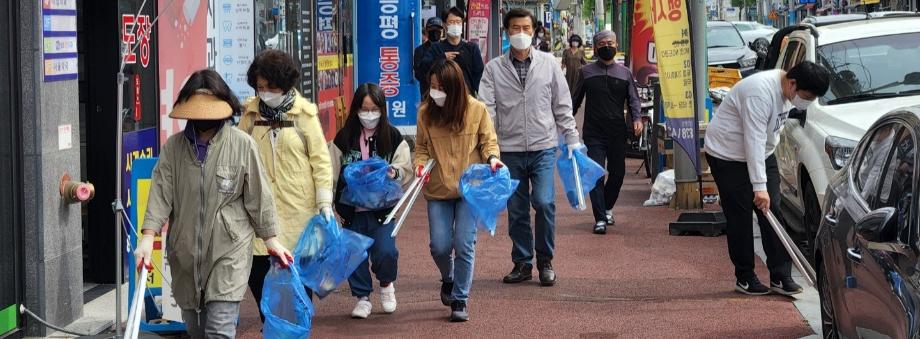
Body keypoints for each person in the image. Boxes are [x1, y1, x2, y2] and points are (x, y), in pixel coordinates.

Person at [135, 69, 292, 339]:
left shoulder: (242, 145)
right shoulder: (173, 148)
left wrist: (271, 239)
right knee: (197, 331)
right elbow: (161, 192)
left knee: (219, 330)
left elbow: (259, 195)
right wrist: (148, 238)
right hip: (185, 254)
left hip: (229, 250)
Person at [704, 61, 830, 296]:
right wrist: (758, 187)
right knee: (740, 215)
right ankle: (745, 277)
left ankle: (780, 276)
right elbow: (753, 140)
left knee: (773, 211)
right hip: (728, 155)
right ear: (792, 84)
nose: (807, 102)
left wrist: (763, 188)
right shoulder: (759, 93)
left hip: (762, 153)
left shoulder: (787, 92)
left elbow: (765, 140)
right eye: (807, 96)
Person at [479, 8, 581, 287]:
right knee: (517, 209)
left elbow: (562, 104)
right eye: (515, 28)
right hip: (508, 150)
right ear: (506, 32)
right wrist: (488, 148)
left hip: (543, 147)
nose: (521, 33)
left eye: (526, 28)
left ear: (535, 31)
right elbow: (486, 111)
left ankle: (545, 261)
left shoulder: (549, 64)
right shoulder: (493, 69)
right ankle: (522, 262)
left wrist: (571, 138)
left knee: (545, 202)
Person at [237, 49, 335, 321]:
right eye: (260, 87)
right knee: (258, 277)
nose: (265, 92)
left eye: (271, 86)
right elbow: (237, 156)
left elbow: (321, 161)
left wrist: (324, 202)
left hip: (298, 214)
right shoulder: (250, 114)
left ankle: (293, 329)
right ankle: (269, 324)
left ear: (285, 84)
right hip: (258, 214)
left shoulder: (304, 115)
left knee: (298, 289)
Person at [415, 59, 502, 322]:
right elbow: (420, 148)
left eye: (440, 87)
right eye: (432, 86)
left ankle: (460, 299)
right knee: (439, 246)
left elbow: (489, 142)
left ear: (454, 89)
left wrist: (492, 159)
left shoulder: (477, 110)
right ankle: (448, 277)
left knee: (464, 244)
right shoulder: (425, 113)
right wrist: (419, 166)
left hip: (469, 190)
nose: (435, 92)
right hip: (439, 189)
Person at [329, 83, 413, 319]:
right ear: (356, 109)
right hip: (352, 210)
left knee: (386, 251)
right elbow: (330, 170)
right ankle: (362, 297)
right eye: (364, 109)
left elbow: (404, 167)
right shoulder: (344, 138)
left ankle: (386, 284)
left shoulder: (393, 136)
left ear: (382, 110)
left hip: (383, 210)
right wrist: (327, 201)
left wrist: (393, 172)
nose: (369, 114)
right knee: (353, 253)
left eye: (374, 109)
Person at [571, 30, 643, 234]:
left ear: (617, 45)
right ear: (595, 48)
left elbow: (634, 99)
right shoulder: (586, 72)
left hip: (617, 132)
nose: (607, 45)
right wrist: (567, 122)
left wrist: (637, 118)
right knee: (595, 174)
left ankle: (607, 206)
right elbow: (574, 100)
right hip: (594, 132)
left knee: (618, 173)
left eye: (610, 42)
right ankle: (600, 218)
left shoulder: (625, 73)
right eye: (602, 43)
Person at [418, 7, 486, 95]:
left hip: (466, 98)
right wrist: (442, 58)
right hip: (442, 99)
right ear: (445, 25)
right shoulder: (436, 48)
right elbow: (421, 71)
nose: (455, 25)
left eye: (458, 22)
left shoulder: (472, 48)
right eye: (451, 22)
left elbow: (479, 76)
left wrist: (482, 98)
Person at [414, 17, 444, 96]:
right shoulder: (419, 50)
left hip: (446, 91)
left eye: (437, 29)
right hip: (427, 92)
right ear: (427, 32)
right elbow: (418, 74)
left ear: (442, 32)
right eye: (432, 29)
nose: (435, 32)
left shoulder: (446, 47)